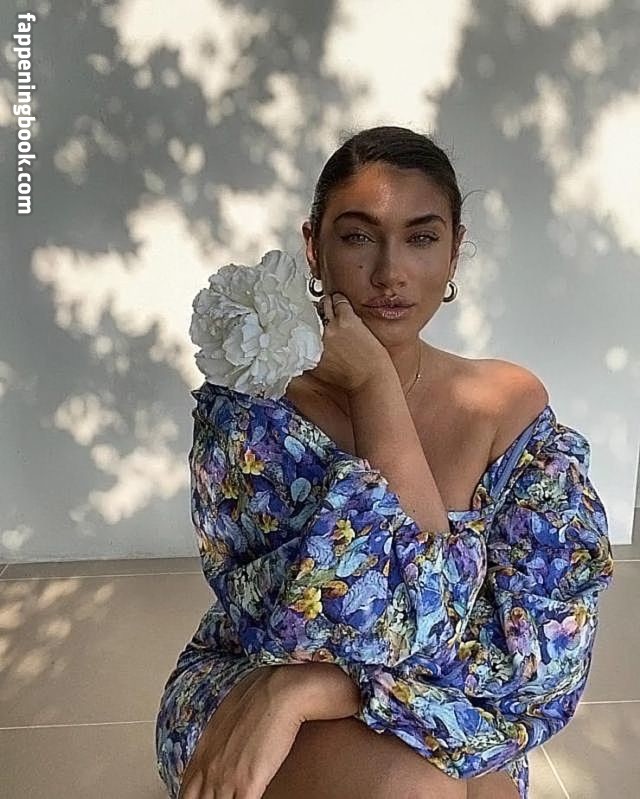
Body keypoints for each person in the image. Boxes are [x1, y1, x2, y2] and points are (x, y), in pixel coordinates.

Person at [155, 126, 614, 799]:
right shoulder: (256, 415)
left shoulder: (507, 410)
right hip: (248, 682)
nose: (389, 273)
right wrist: (374, 386)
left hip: (429, 707)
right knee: (413, 787)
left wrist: (308, 688)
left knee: (470, 787)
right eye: (358, 237)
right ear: (314, 248)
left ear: (454, 251)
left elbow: (543, 664)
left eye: (421, 238)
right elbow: (321, 628)